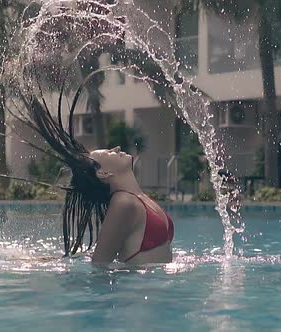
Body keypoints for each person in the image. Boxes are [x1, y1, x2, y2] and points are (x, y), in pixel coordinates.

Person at [17, 95, 174, 265]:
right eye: (108, 152)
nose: (116, 148)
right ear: (103, 173)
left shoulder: (140, 199)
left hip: (151, 287)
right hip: (137, 290)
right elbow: (99, 265)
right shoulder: (123, 202)